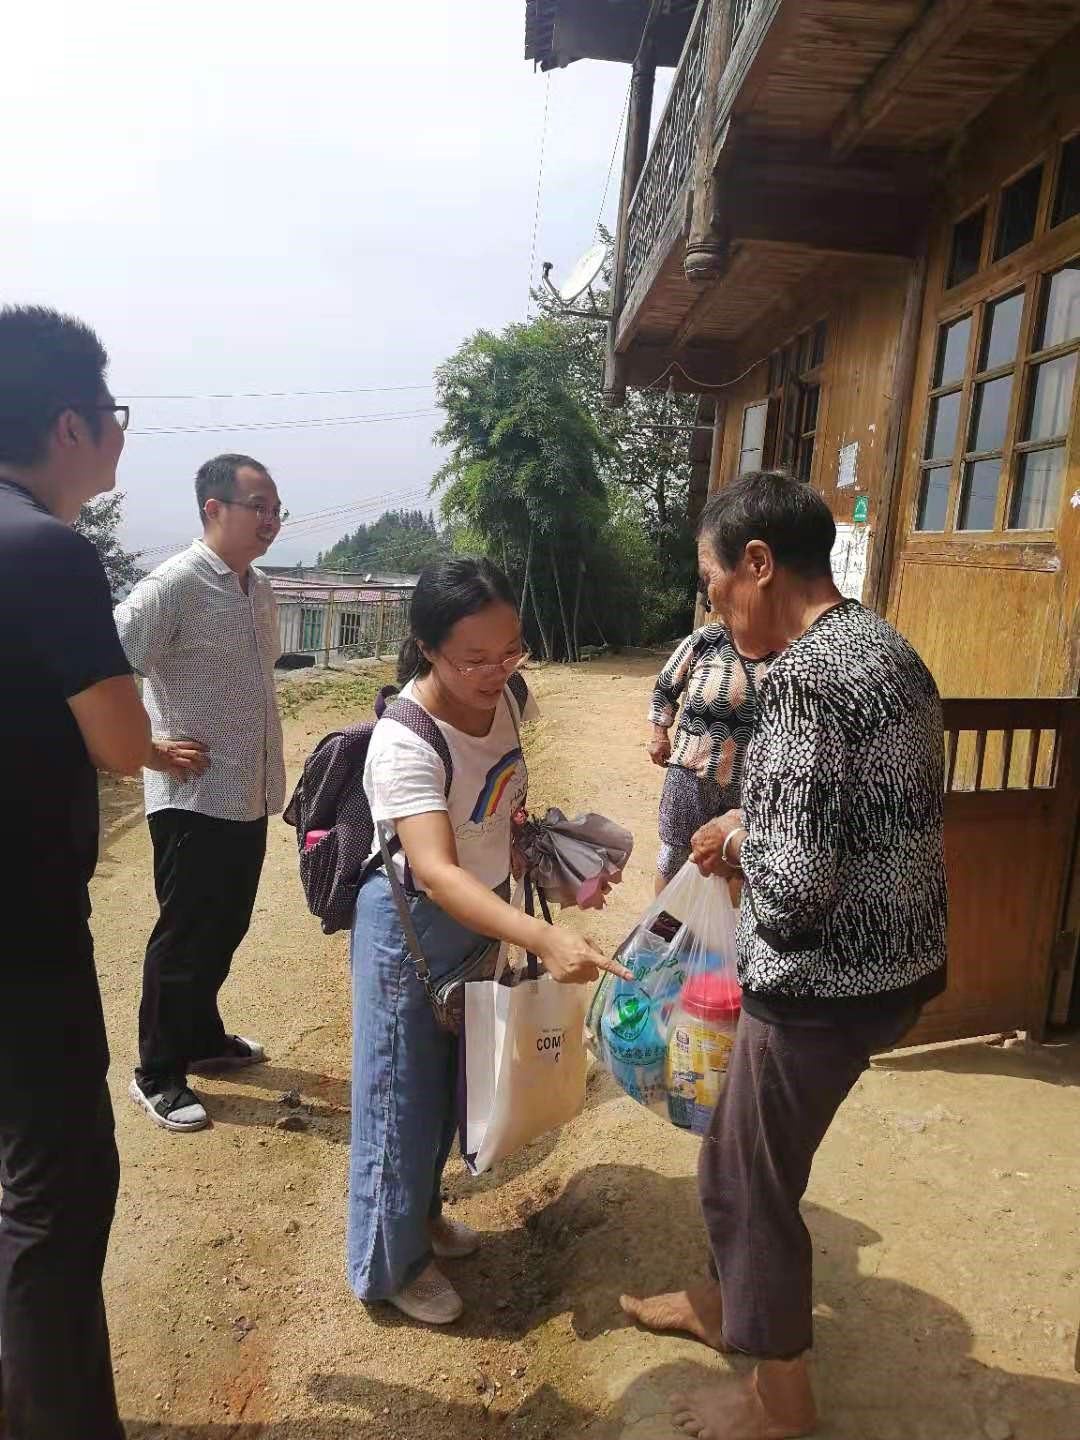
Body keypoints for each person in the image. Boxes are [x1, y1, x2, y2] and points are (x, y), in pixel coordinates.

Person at [622, 471, 947, 1440]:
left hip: (820, 982)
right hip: (899, 963)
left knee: (743, 1177)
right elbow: (861, 813)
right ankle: (725, 1304)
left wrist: (734, 841)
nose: (714, 603)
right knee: (749, 1153)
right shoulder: (885, 646)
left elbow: (799, 888)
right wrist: (752, 821)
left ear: (759, 564)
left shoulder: (803, 678)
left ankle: (780, 1401)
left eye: (714, 581)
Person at [349, 557, 632, 1325]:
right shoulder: (404, 740)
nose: (495, 671)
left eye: (510, 651)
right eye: (472, 659)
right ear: (427, 649)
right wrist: (543, 936)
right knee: (399, 1100)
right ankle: (389, 1266)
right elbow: (437, 871)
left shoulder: (508, 694)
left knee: (452, 1082)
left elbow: (498, 804)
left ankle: (422, 1217)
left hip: (486, 911)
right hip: (413, 928)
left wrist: (554, 862)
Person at [0, 306, 155, 1439]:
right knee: (56, 1185)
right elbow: (120, 741)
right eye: (113, 414)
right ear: (69, 426)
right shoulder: (45, 553)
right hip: (19, 922)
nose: (118, 433)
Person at [114, 454, 287, 1133]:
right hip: (191, 797)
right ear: (213, 509)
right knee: (185, 935)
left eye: (277, 509)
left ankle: (202, 1037)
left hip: (247, 790)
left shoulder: (259, 587)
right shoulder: (175, 584)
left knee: (226, 924)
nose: (271, 520)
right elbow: (108, 660)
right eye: (258, 507)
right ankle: (157, 1072)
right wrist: (146, 748)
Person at [648, 623, 773, 895]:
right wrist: (659, 733)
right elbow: (666, 686)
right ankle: (665, 921)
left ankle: (718, 924)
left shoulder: (784, 648)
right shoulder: (706, 639)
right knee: (676, 856)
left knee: (735, 864)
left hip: (750, 782)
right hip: (691, 773)